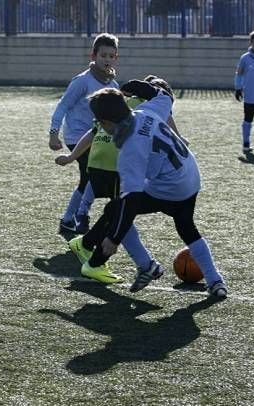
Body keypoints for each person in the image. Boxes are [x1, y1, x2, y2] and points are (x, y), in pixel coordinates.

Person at [77, 81, 227, 298]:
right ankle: (215, 281)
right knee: (186, 227)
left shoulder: (130, 149)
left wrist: (114, 238)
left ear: (106, 123)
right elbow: (163, 94)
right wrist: (135, 86)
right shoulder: (145, 110)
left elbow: (131, 200)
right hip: (190, 173)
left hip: (170, 186)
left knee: (115, 210)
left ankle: (146, 265)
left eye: (99, 122)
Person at [55, 76, 179, 284]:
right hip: (115, 167)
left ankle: (85, 242)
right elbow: (170, 136)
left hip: (97, 164)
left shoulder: (120, 103)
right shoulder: (150, 108)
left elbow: (92, 132)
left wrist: (71, 157)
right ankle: (139, 264)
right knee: (122, 214)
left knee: (116, 211)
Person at [49, 33, 120, 234]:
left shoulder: (113, 85)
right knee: (90, 177)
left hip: (98, 138)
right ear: (93, 56)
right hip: (77, 137)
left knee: (92, 178)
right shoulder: (83, 81)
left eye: (111, 56)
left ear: (116, 58)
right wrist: (53, 134)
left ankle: (70, 219)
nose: (106, 59)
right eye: (103, 55)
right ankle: (78, 217)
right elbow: (63, 105)